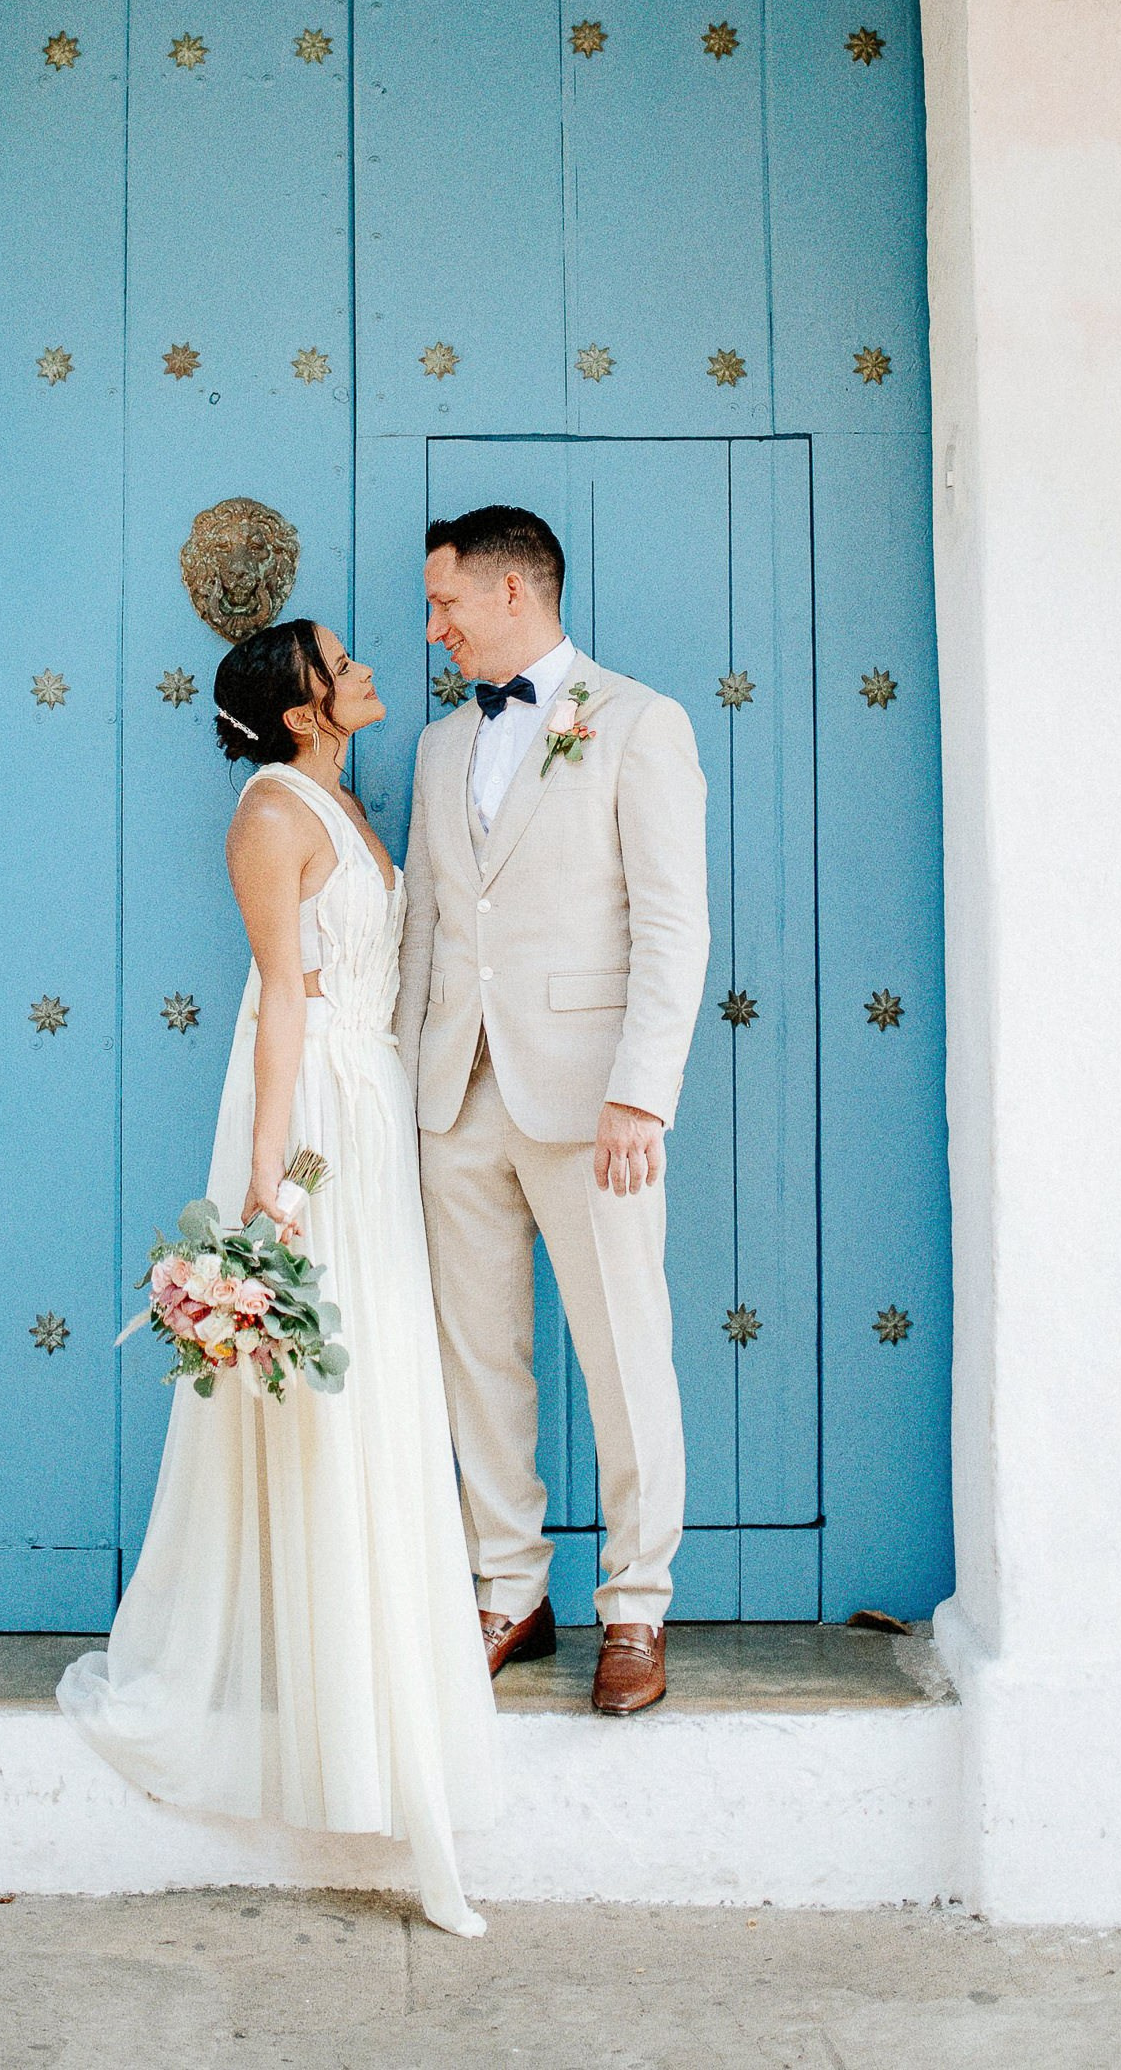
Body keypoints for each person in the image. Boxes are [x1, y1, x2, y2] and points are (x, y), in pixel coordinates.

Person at [58, 619, 497, 1937]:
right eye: (341, 662)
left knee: (377, 1405)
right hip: (308, 1117)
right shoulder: (268, 814)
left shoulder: (336, 797)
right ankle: (393, 1786)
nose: (365, 670)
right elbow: (280, 1001)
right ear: (302, 706)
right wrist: (267, 1185)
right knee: (334, 1414)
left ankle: (375, 1704)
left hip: (360, 1103)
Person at [398, 507, 711, 1717]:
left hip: (590, 1099)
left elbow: (670, 920)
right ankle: (506, 1589)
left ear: (513, 587)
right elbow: (430, 923)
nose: (433, 629)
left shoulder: (636, 723)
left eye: (446, 606)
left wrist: (641, 1090)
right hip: (453, 1094)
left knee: (625, 1350)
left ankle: (634, 1606)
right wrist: (394, 1091)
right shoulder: (435, 749)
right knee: (479, 1356)